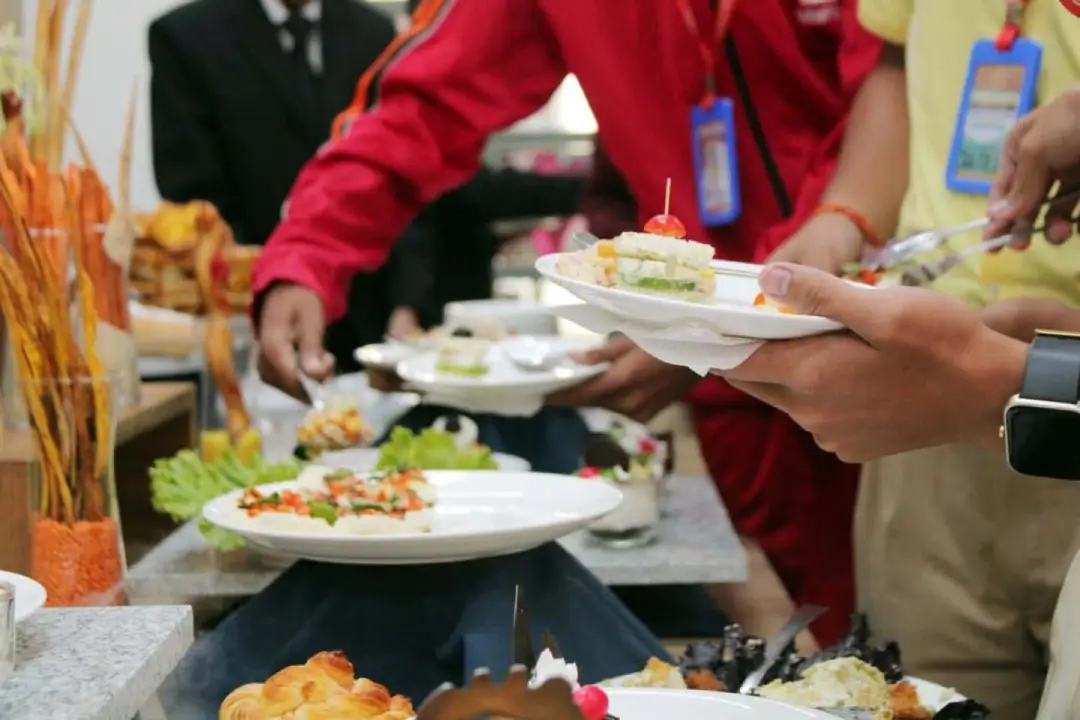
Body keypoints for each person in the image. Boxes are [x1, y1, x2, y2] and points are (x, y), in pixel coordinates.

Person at [252, 0, 885, 646]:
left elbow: (898, 92)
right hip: (717, 375)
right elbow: (422, 103)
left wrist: (728, 314)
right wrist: (305, 253)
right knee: (814, 641)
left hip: (887, 322)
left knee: (904, 633)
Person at [746, 2, 1080, 715]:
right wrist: (845, 216)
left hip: (1036, 390)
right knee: (923, 698)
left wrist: (1008, 381)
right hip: (923, 415)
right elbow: (895, 61)